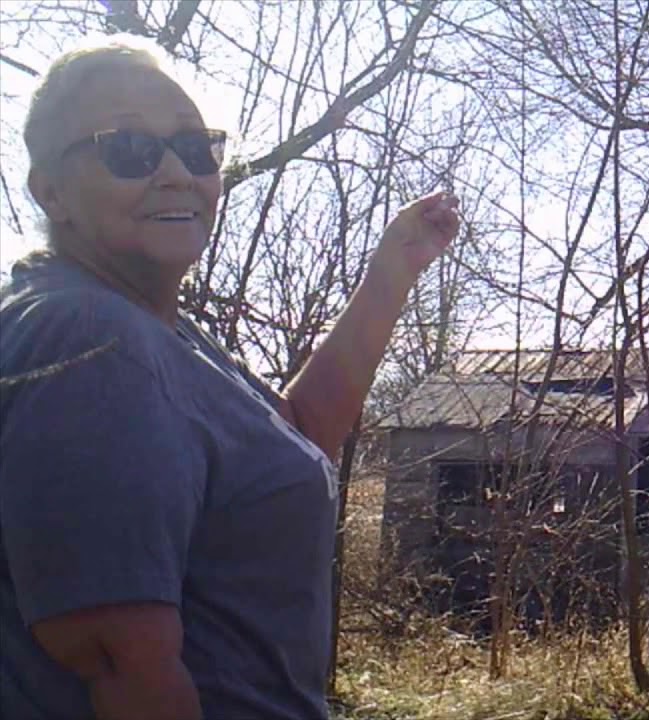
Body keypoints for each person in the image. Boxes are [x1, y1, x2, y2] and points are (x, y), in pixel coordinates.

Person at [0, 36, 459, 719]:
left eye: (196, 148)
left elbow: (294, 439)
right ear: (52, 192)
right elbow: (123, 663)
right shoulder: (92, 339)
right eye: (130, 149)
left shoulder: (151, 327)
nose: (177, 174)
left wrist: (393, 271)